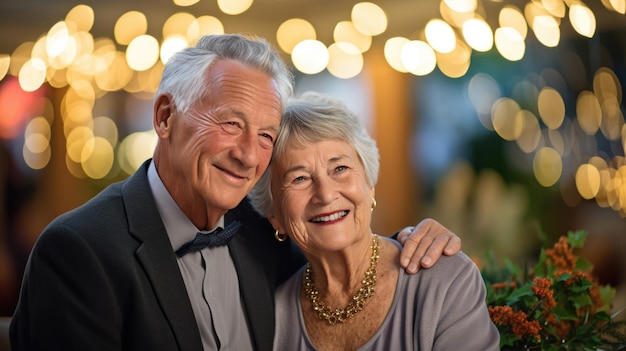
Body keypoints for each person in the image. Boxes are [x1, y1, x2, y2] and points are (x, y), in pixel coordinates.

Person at [10, 34, 461, 351]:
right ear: (166, 117)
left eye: (266, 136)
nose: (249, 155)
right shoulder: (77, 251)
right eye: (231, 124)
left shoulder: (265, 230)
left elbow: (337, 238)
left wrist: (412, 243)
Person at [249, 92, 500, 350]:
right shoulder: (272, 318)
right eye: (299, 178)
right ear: (275, 216)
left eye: (340, 169)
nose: (325, 194)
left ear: (369, 186)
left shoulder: (444, 282)